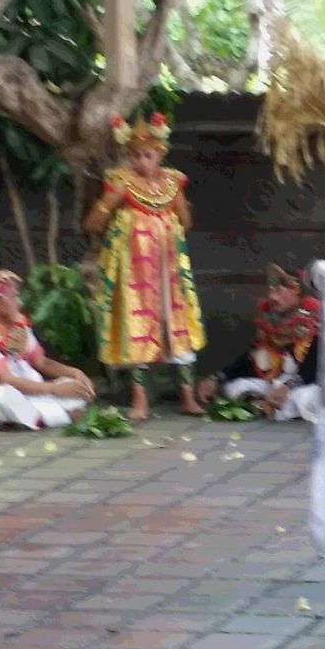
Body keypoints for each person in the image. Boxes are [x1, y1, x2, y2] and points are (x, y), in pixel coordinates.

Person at [84, 112, 206, 422]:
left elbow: (185, 220)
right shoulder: (120, 182)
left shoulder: (173, 182)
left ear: (160, 154)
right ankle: (140, 401)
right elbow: (94, 223)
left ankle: (188, 396)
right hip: (134, 272)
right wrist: (110, 205)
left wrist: (165, 228)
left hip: (168, 270)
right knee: (137, 324)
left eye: (148, 155)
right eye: (135, 155)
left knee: (176, 325)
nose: (142, 161)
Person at [0, 270, 95, 430]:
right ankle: (56, 417)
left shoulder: (18, 323)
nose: (19, 302)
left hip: (33, 389)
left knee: (74, 386)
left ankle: (41, 416)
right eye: (13, 297)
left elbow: (41, 362)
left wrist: (75, 374)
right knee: (0, 398)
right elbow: (5, 379)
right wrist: (54, 389)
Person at [197, 264, 321, 420]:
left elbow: (315, 367)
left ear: (296, 291)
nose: (272, 297)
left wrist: (288, 387)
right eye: (271, 290)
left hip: (307, 384)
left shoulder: (315, 319)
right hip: (275, 382)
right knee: (234, 387)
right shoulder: (271, 320)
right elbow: (252, 359)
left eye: (279, 291)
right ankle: (264, 404)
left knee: (304, 398)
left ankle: (269, 406)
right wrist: (216, 378)